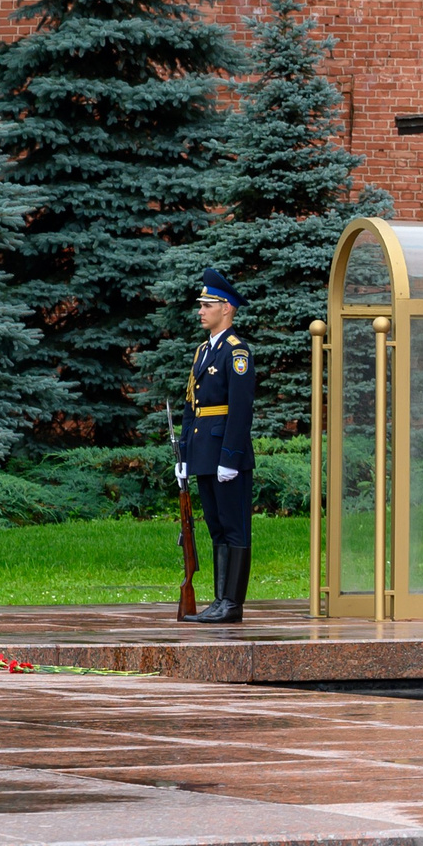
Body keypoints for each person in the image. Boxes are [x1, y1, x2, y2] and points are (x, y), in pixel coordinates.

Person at [177, 266, 256, 624]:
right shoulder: (202, 352)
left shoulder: (236, 353)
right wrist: (185, 454)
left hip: (226, 455)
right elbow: (191, 406)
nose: (201, 310)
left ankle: (232, 603)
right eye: (201, 304)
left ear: (226, 308)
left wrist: (231, 458)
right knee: (216, 528)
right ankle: (219, 600)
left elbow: (240, 411)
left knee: (235, 526)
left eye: (208, 304)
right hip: (204, 454)